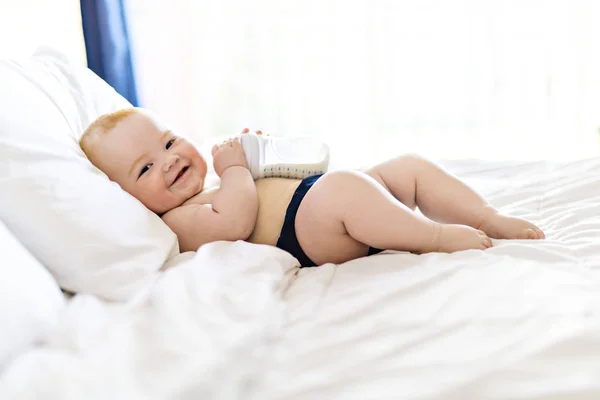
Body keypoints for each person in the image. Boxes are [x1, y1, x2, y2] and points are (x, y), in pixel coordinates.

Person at [79, 107, 545, 267]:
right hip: (310, 233)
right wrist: (238, 172)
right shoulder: (176, 221)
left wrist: (260, 157)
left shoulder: (216, 181)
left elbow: (262, 186)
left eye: (169, 141)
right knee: (344, 186)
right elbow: (237, 220)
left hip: (327, 198)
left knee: (405, 166)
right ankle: (436, 238)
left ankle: (486, 216)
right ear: (123, 196)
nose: (170, 161)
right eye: (144, 169)